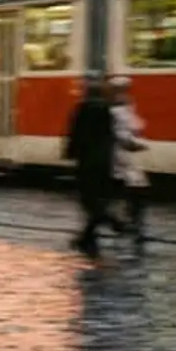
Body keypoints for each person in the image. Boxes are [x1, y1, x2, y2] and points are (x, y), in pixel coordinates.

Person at [64, 74, 121, 259]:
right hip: (103, 161)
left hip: (86, 161)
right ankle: (89, 238)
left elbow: (75, 133)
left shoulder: (82, 108)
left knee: (89, 201)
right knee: (97, 199)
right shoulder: (107, 110)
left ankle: (106, 224)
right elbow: (110, 136)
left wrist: (70, 153)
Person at [109, 76, 149, 246]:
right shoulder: (116, 112)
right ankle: (131, 226)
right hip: (121, 159)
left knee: (134, 194)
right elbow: (123, 137)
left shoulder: (127, 109)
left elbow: (135, 128)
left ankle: (131, 225)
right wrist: (138, 144)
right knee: (133, 194)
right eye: (121, 91)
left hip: (128, 161)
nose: (124, 94)